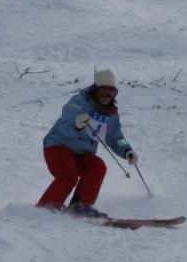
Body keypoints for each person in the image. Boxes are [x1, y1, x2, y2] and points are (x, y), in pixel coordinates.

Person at [36, 69, 138, 218]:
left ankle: (81, 206)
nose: (107, 97)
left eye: (112, 93)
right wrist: (76, 126)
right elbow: (64, 125)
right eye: (103, 92)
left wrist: (126, 150)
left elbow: (115, 137)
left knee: (97, 166)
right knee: (68, 175)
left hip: (81, 154)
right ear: (95, 90)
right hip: (59, 146)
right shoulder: (79, 102)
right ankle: (45, 208)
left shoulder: (111, 114)